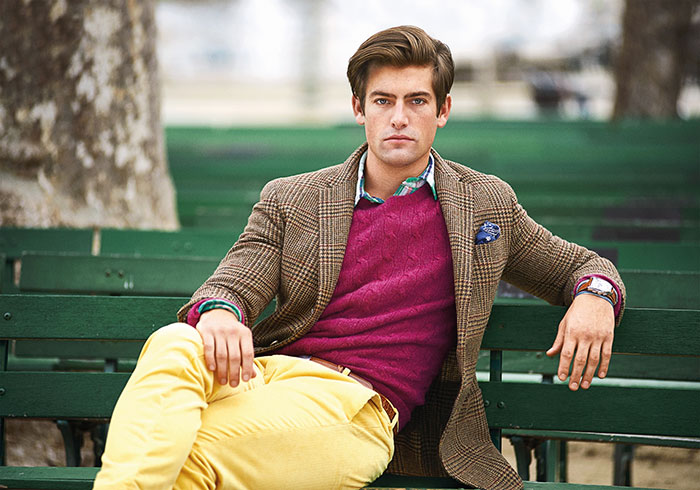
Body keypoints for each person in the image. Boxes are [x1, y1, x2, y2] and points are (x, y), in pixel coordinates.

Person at [94, 26, 625, 490]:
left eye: (417, 101)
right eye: (383, 101)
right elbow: (234, 281)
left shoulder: (483, 204)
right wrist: (219, 312)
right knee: (175, 340)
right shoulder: (293, 198)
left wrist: (596, 296)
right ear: (358, 108)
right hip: (262, 376)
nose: (399, 118)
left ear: (442, 111)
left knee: (190, 452)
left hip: (354, 409)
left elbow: (579, 266)